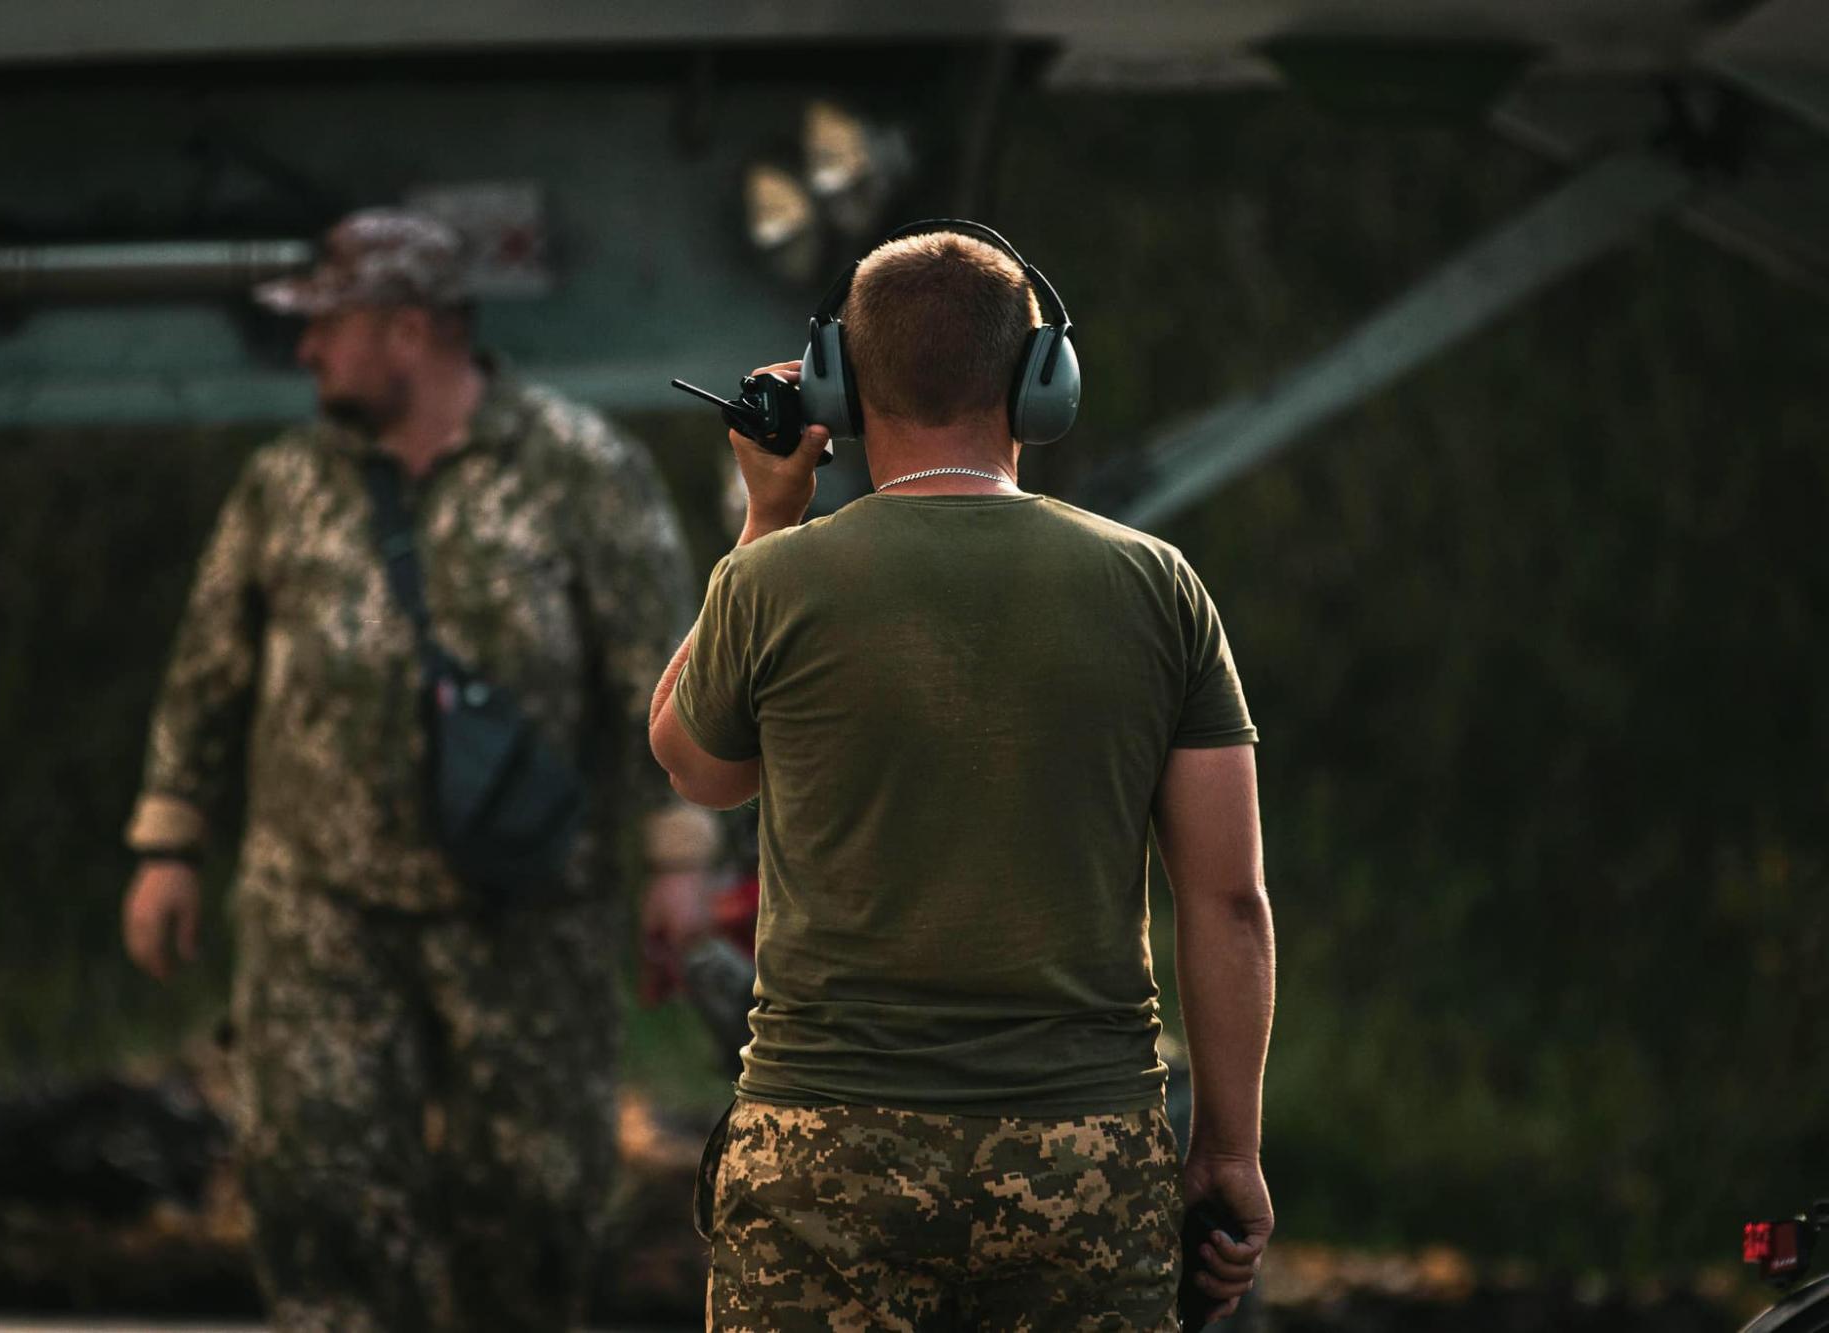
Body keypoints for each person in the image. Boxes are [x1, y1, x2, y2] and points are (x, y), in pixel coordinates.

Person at [649, 226, 1276, 1330]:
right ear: (1043, 383)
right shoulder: (1154, 587)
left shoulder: (773, 583)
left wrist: (766, 515)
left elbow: (694, 767)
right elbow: (1227, 901)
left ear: (837, 384)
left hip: (821, 1150)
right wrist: (1226, 1151)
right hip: (1081, 1157)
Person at [119, 208, 720, 1333]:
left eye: (325, 327)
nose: (305, 351)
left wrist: (677, 859)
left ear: (409, 330)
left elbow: (663, 676)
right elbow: (208, 669)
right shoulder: (283, 486)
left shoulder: (580, 470)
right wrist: (168, 845)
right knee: (317, 1189)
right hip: (319, 905)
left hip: (526, 907)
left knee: (534, 1202)